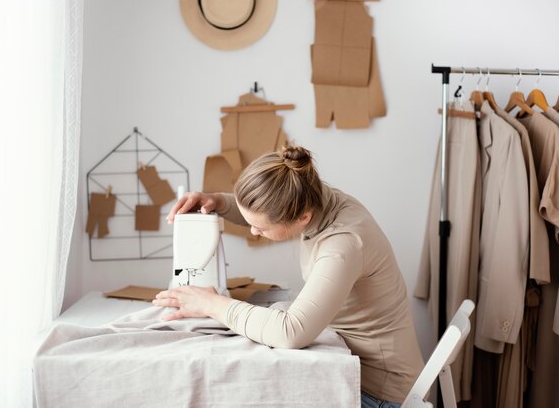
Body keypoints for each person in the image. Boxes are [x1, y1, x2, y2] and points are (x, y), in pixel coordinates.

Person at [154, 144, 424, 407]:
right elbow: (266, 211)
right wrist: (219, 201)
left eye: (260, 229)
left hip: (378, 392)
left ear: (302, 218)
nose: (253, 232)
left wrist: (212, 304)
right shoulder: (312, 195)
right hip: (351, 362)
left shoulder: (343, 244)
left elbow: (290, 332)